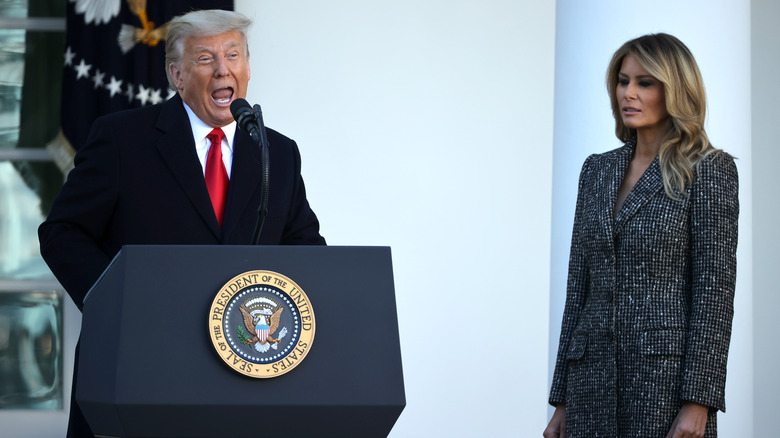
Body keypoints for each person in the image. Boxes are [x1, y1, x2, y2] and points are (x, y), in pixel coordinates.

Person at [38, 9, 325, 437]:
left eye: (233, 55)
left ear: (248, 67)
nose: (223, 69)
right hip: (139, 369)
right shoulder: (122, 139)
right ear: (177, 74)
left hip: (244, 375)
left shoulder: (277, 152)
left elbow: (304, 246)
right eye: (206, 58)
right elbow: (62, 233)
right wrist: (121, 305)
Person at [544, 33, 738, 438]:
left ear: (676, 89)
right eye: (622, 80)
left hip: (663, 386)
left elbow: (714, 294)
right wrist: (561, 398)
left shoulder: (709, 170)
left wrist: (698, 401)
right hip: (589, 385)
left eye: (644, 83)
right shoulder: (596, 170)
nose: (628, 93)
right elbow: (578, 289)